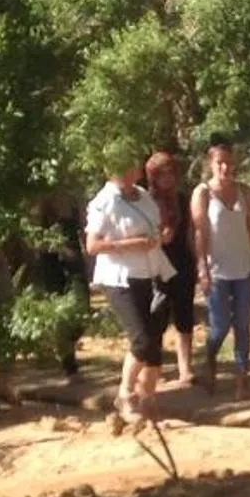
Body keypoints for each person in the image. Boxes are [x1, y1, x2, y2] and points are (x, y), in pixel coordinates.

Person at [84, 146, 174, 426]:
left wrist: (162, 236)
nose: (129, 171)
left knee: (154, 338)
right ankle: (124, 393)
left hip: (150, 273)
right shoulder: (105, 201)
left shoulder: (143, 196)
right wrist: (127, 245)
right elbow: (92, 245)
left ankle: (147, 398)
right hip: (118, 277)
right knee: (141, 338)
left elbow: (155, 229)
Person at [192, 137, 250, 397]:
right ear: (210, 164)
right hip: (217, 269)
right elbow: (200, 232)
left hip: (244, 267)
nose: (225, 168)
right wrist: (202, 269)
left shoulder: (246, 192)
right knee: (220, 326)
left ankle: (242, 379)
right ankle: (209, 363)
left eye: (229, 163)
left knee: (242, 324)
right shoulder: (202, 193)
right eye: (220, 163)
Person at [147, 148, 198, 387]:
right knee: (157, 317)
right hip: (156, 265)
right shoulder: (145, 201)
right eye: (161, 173)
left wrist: (198, 259)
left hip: (183, 262)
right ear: (153, 176)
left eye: (170, 172)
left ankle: (185, 369)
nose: (167, 177)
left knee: (184, 315)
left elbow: (190, 231)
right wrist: (158, 237)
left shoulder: (183, 199)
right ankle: (152, 367)